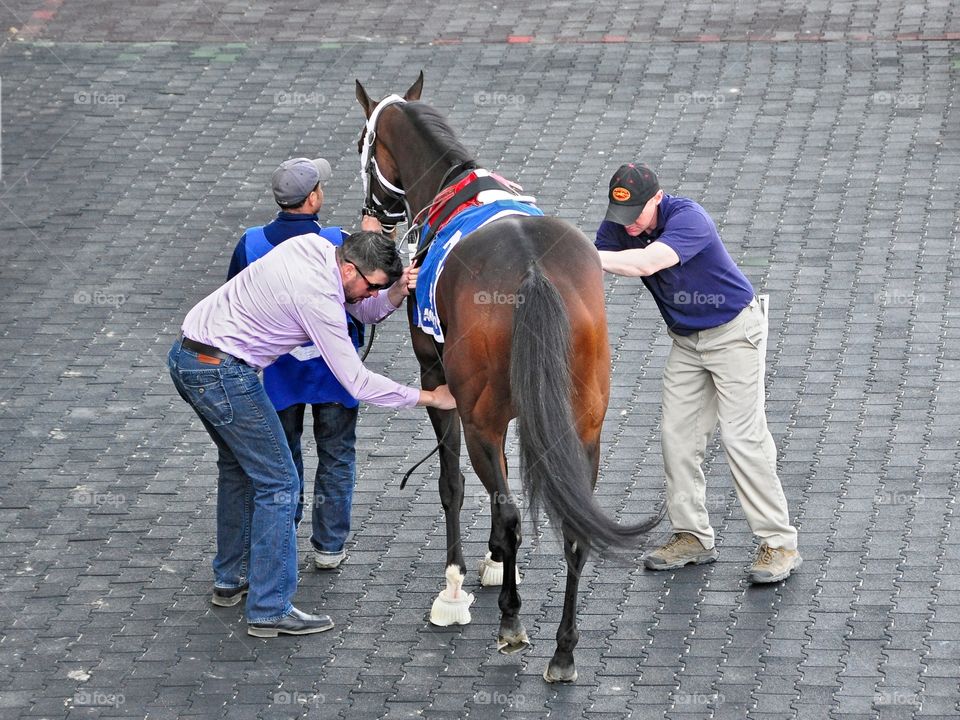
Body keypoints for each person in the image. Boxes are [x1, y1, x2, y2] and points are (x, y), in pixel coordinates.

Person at [168, 230, 456, 636]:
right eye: (370, 285)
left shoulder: (314, 247)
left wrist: (392, 293)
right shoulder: (318, 299)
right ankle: (269, 608)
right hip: (223, 375)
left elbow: (362, 310)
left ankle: (230, 579)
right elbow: (357, 383)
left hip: (188, 358)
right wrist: (431, 397)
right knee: (280, 483)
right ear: (349, 269)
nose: (367, 294)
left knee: (237, 470)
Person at [595, 162, 801, 584]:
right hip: (687, 341)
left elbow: (647, 262)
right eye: (622, 216)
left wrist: (578, 251)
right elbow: (594, 267)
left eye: (637, 213)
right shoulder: (619, 225)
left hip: (734, 333)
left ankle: (780, 543)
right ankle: (692, 536)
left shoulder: (689, 217)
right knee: (678, 437)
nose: (628, 225)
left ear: (658, 198)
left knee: (743, 437)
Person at [227, 157, 373, 571]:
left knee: (282, 460)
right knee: (338, 456)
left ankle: (282, 533)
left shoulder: (251, 242)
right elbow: (360, 299)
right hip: (334, 374)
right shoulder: (338, 241)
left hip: (277, 377)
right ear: (313, 199)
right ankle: (329, 547)